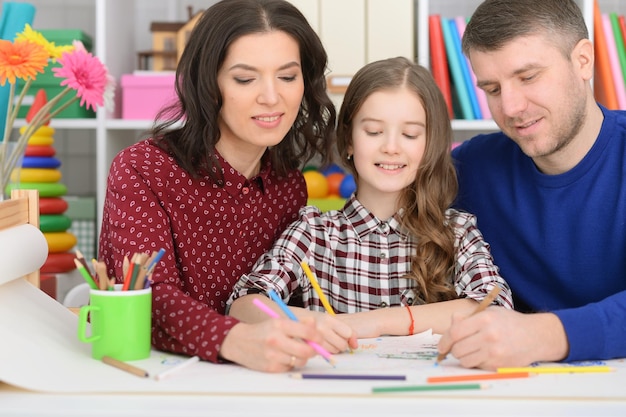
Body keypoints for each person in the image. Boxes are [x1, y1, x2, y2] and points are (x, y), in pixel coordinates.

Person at [98, 0, 340, 373]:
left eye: (288, 77)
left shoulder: (288, 183)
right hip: (154, 377)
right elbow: (147, 297)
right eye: (245, 79)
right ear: (209, 84)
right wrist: (233, 339)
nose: (272, 97)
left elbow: (274, 294)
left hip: (253, 381)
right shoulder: (142, 169)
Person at [227, 56, 513, 357]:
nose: (391, 146)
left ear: (429, 144)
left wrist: (374, 323)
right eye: (374, 132)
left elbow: (494, 307)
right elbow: (246, 303)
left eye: (410, 134)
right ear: (349, 140)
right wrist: (315, 324)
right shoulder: (314, 232)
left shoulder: (456, 231)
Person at [439, 0, 626, 370]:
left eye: (528, 77)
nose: (510, 107)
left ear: (583, 61)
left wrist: (542, 335)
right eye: (492, 89)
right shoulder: (470, 168)